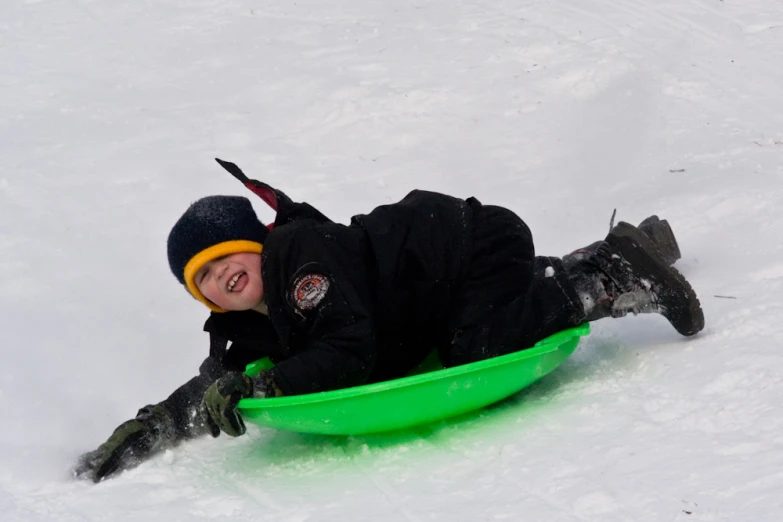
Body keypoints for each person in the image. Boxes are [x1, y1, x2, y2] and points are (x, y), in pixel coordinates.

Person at [74, 159, 704, 482]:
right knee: (469, 325)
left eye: (224, 258)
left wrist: (271, 387)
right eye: (204, 279)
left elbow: (350, 348)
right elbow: (216, 388)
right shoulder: (251, 321)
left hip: (470, 246)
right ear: (208, 301)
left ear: (256, 244)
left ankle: (616, 275)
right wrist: (153, 426)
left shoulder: (300, 258)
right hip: (447, 286)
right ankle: (620, 250)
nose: (221, 277)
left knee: (474, 348)